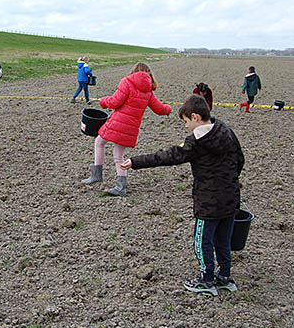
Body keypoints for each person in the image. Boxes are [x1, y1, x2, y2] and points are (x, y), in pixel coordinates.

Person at [120, 95, 244, 296]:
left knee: (202, 241)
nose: (186, 126)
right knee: (223, 240)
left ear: (195, 117)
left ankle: (207, 280)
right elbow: (240, 159)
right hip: (230, 198)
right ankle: (225, 278)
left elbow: (168, 156)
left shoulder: (197, 142)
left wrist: (135, 162)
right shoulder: (226, 131)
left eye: (186, 121)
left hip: (208, 203)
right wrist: (228, 182)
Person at [82, 62, 171, 196]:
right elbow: (159, 109)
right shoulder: (148, 91)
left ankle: (96, 175)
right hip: (131, 128)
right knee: (119, 156)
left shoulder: (127, 82)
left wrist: (103, 101)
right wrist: (168, 109)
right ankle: (121, 186)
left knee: (99, 142)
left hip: (117, 123)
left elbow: (114, 102)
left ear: (134, 71)